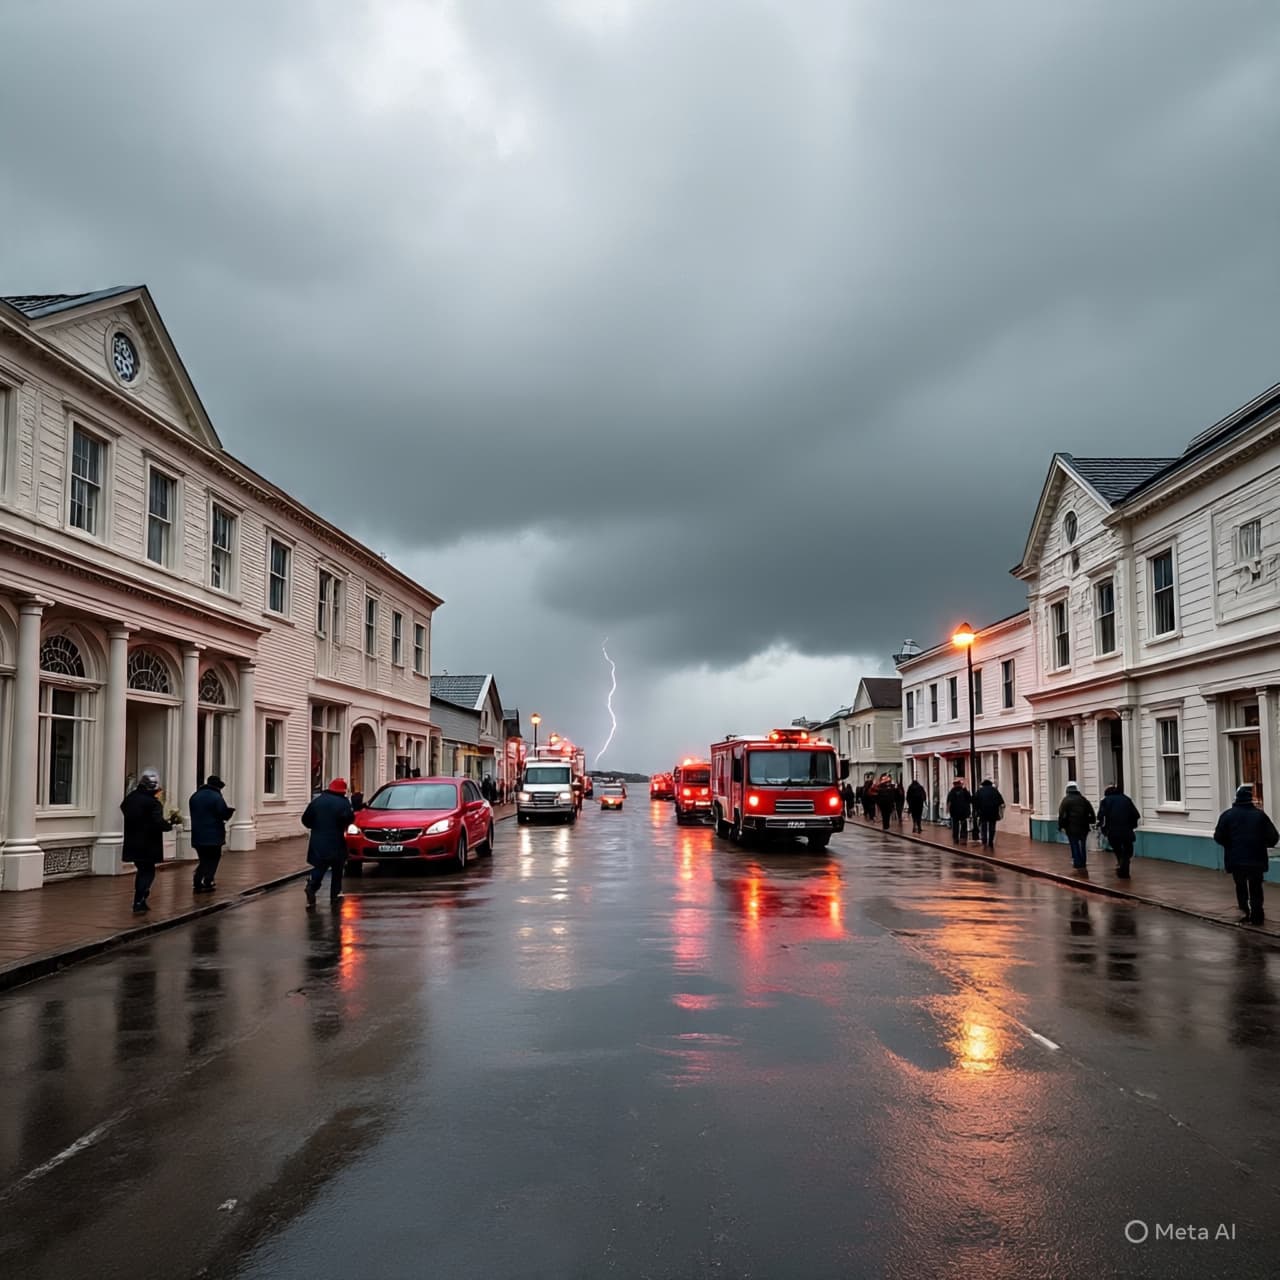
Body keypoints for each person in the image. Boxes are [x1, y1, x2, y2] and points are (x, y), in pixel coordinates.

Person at [1213, 784, 1278, 926]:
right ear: (1250, 799)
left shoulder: (1227, 815)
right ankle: (1257, 915)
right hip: (1256, 859)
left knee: (1240, 886)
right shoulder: (1260, 816)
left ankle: (1244, 911)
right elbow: (1273, 837)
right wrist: (1262, 844)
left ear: (1237, 799)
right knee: (1256, 887)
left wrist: (1229, 844)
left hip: (1236, 859)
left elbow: (1218, 836)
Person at [121, 768, 174, 913]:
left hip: (133, 841)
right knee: (148, 871)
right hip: (148, 843)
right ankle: (140, 898)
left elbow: (124, 809)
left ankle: (140, 898)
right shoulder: (153, 803)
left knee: (141, 870)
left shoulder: (130, 798)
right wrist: (169, 826)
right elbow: (157, 821)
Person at [302, 777, 355, 908]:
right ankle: (335, 895)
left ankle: (312, 886)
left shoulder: (317, 801)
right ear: (343, 791)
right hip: (336, 840)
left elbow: (305, 819)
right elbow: (348, 819)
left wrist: (316, 827)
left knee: (320, 866)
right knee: (337, 868)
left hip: (317, 840)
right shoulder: (343, 803)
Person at [188, 774, 234, 894]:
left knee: (203, 858)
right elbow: (222, 813)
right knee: (213, 858)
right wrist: (229, 812)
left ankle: (199, 879)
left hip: (197, 834)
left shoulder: (195, 796)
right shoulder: (216, 797)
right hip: (213, 833)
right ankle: (207, 880)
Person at [1097, 783, 1141, 879]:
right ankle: (1123, 868)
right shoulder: (1126, 799)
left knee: (1118, 850)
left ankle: (1122, 866)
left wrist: (1103, 829)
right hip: (1127, 830)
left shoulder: (1105, 801)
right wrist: (1132, 825)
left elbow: (1101, 816)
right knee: (1128, 851)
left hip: (1112, 831)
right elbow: (1136, 814)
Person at [1058, 781, 1096, 872]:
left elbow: (1062, 814)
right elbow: (1091, 812)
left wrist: (1061, 825)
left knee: (1074, 844)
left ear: (1067, 790)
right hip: (1084, 827)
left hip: (1071, 827)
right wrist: (1091, 821)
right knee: (1082, 844)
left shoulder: (1065, 800)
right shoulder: (1083, 799)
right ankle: (1083, 861)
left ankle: (1077, 862)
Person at [973, 778, 1005, 849]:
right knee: (992, 827)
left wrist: (977, 811)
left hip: (983, 812)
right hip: (993, 812)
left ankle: (984, 840)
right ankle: (990, 841)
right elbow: (1001, 802)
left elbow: (975, 802)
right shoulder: (995, 791)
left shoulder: (979, 791)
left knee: (983, 826)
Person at [946, 779, 972, 844]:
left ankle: (955, 838)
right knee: (963, 825)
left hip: (954, 812)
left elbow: (949, 802)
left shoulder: (952, 792)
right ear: (960, 784)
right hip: (964, 811)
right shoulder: (964, 791)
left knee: (955, 826)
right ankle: (963, 838)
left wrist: (948, 810)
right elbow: (970, 800)